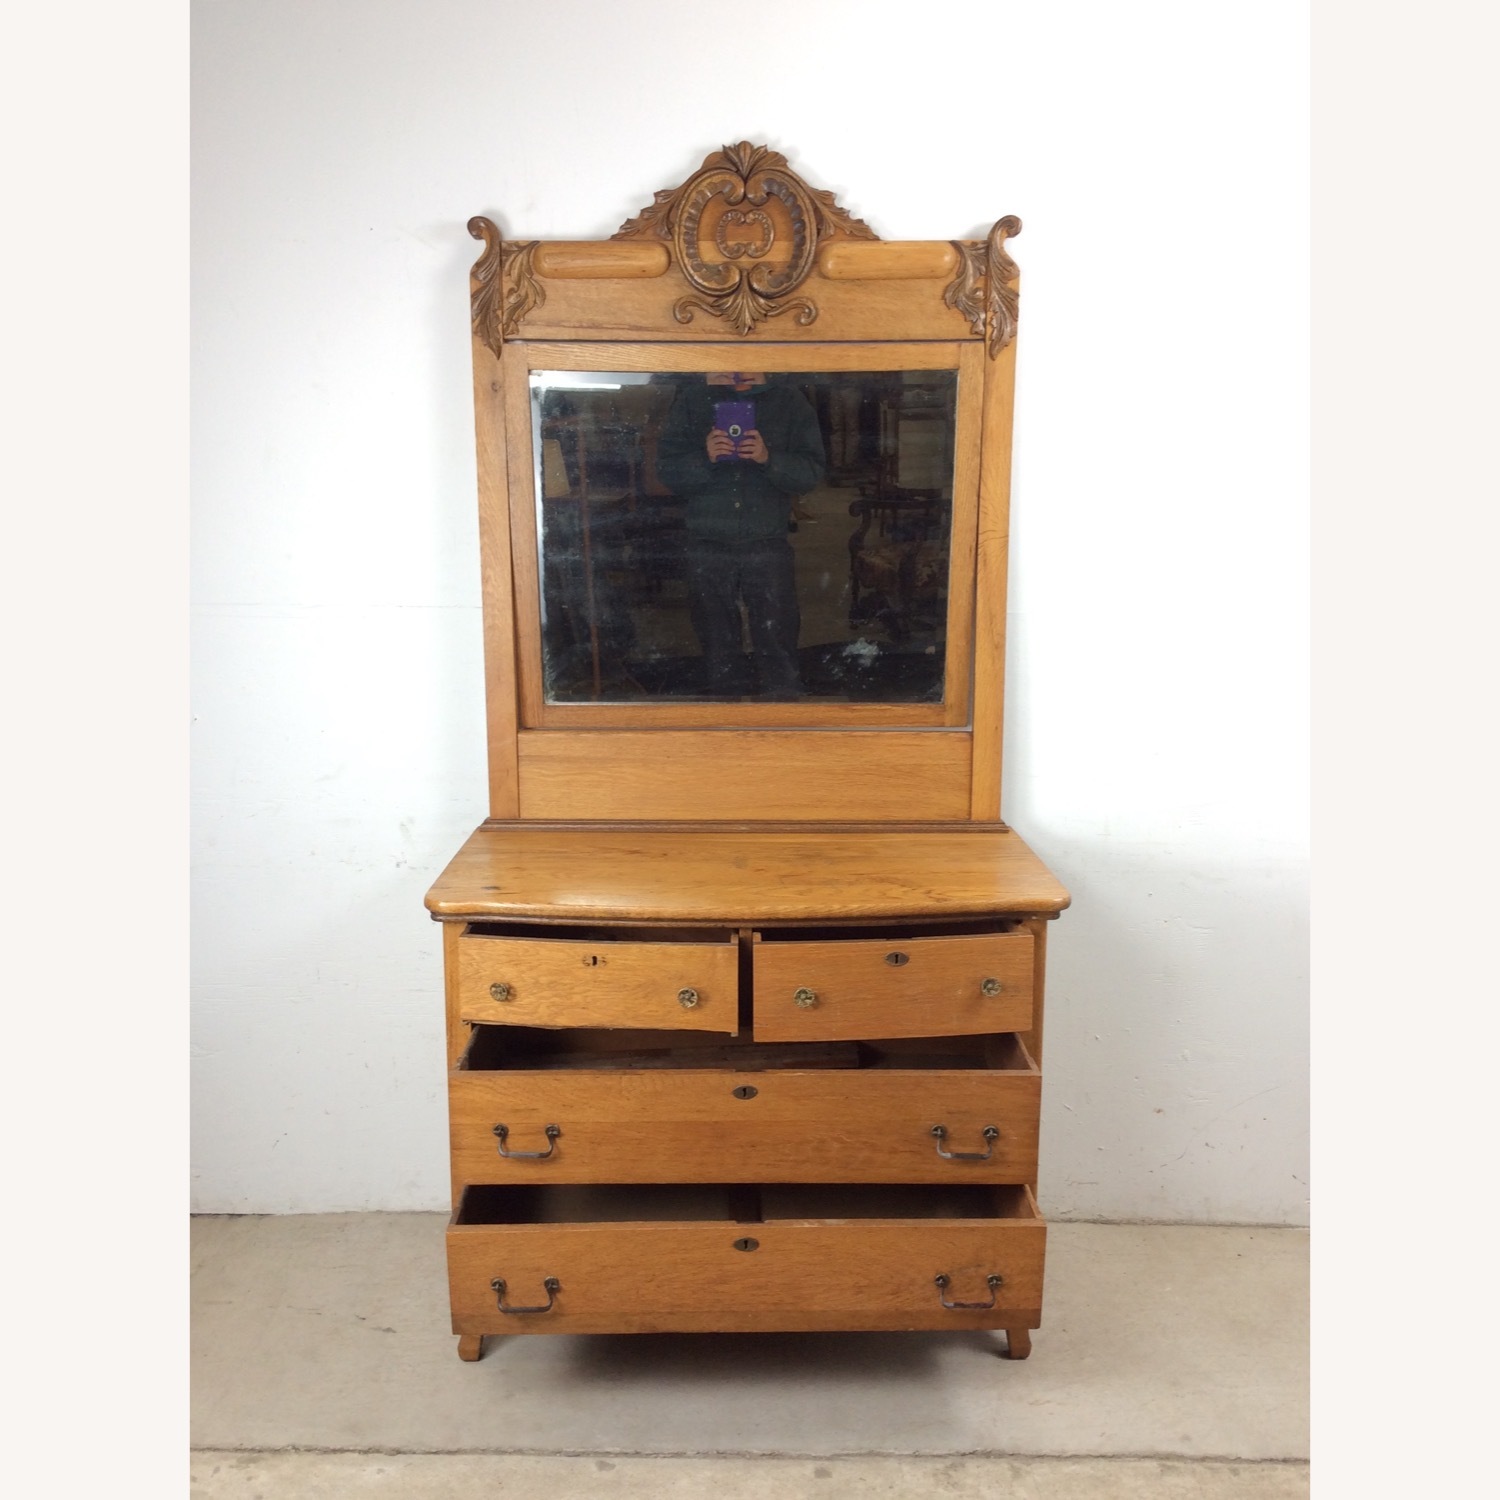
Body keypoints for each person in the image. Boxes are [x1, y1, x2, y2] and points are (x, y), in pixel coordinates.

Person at [654, 371, 825, 697]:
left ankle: (784, 725)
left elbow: (810, 474)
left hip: (766, 540)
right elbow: (668, 473)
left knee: (778, 642)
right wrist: (703, 457)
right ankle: (727, 724)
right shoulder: (693, 401)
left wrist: (768, 458)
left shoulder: (789, 402)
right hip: (707, 540)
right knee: (717, 645)